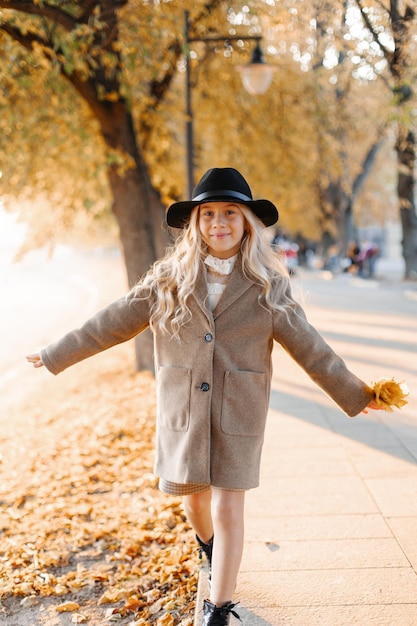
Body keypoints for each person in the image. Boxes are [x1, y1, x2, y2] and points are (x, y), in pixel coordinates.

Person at [27, 168, 386, 626]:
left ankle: (220, 606)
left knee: (227, 502)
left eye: (230, 213)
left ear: (247, 224)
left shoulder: (268, 289)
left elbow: (311, 347)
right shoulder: (167, 281)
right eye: (209, 213)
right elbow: (109, 323)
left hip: (239, 411)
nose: (219, 222)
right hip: (183, 411)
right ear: (196, 223)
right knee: (195, 500)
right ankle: (209, 547)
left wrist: (356, 394)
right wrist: (55, 353)